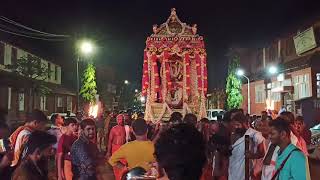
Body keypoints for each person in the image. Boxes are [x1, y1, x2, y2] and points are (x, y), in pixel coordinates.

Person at [229, 113, 265, 180]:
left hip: (245, 173)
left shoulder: (254, 134)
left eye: (238, 125)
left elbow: (262, 152)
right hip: (232, 172)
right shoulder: (233, 134)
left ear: (245, 123)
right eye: (235, 125)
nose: (236, 127)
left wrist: (252, 155)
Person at [107, 114, 126, 180]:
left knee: (124, 165)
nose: (121, 121)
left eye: (122, 119)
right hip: (115, 148)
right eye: (119, 119)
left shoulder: (127, 128)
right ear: (116, 120)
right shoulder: (113, 129)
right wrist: (108, 152)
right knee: (116, 165)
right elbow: (110, 141)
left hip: (124, 148)